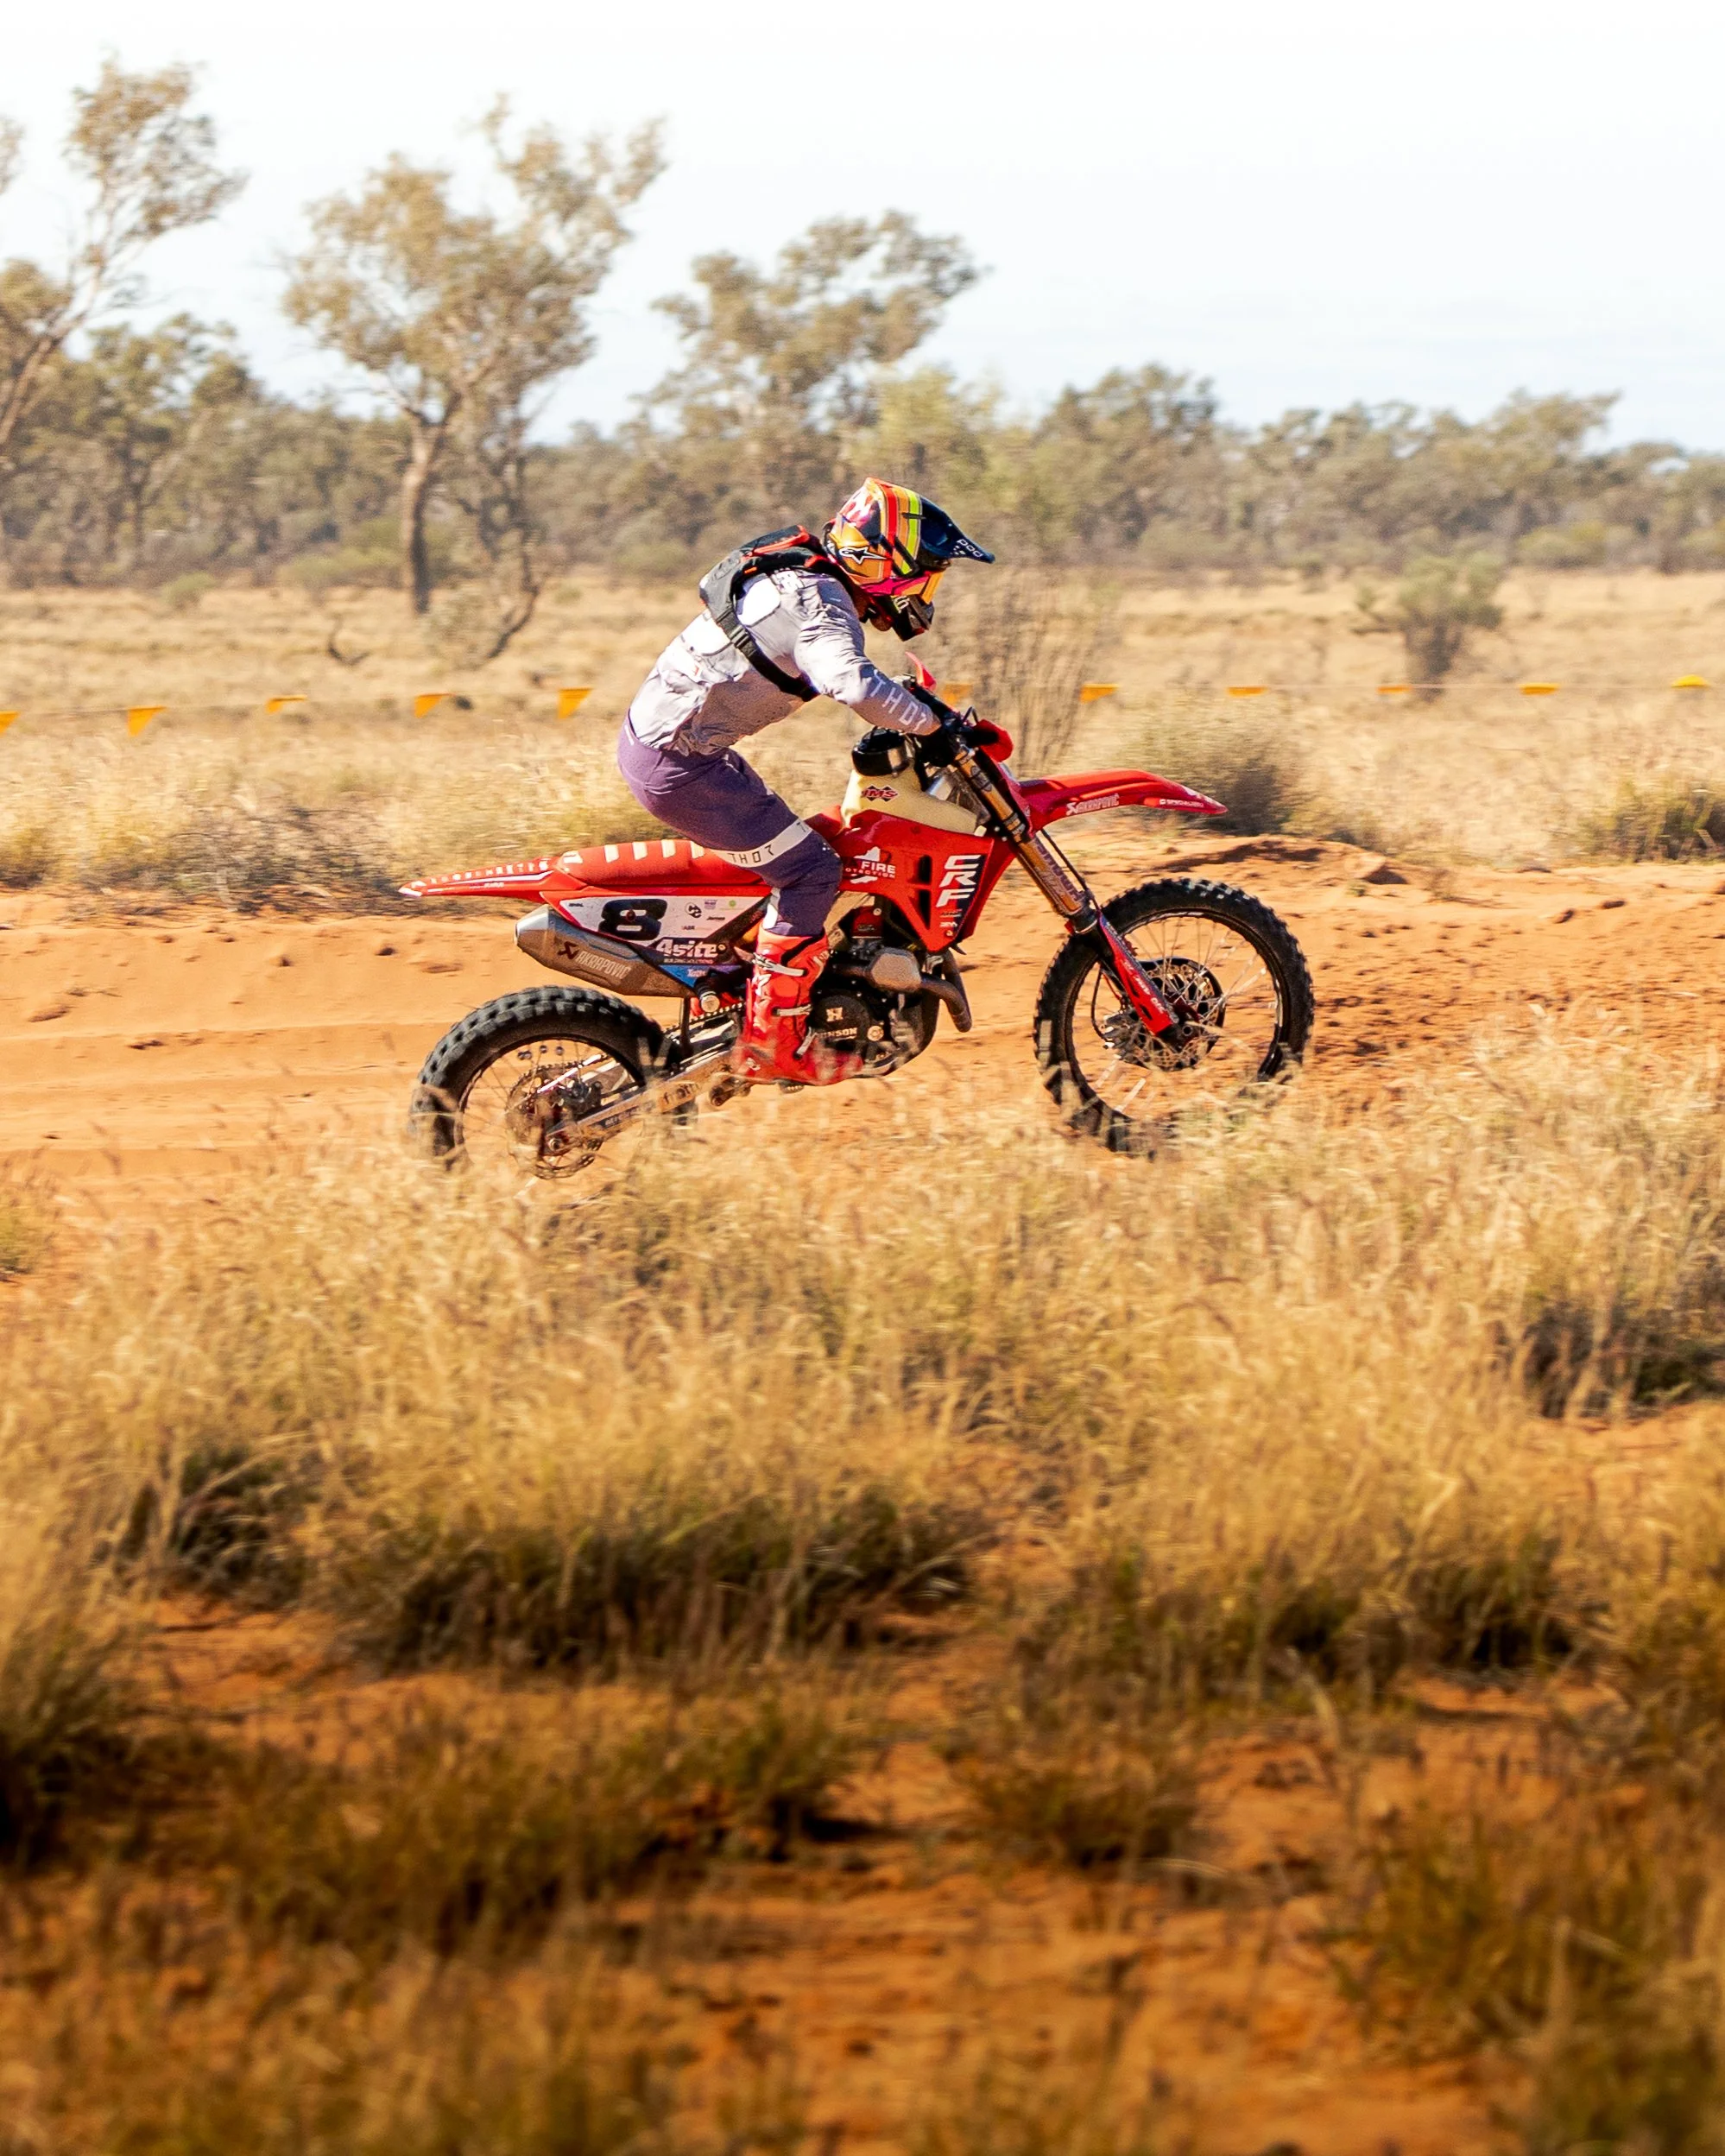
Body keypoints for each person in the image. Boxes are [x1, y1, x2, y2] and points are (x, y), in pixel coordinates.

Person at [618, 477, 994, 1084]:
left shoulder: (804, 577)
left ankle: (757, 986)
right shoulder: (820, 600)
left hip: (680, 751)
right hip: (679, 763)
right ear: (883, 560)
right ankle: (775, 1037)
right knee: (812, 871)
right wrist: (933, 727)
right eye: (924, 572)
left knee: (818, 843)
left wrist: (921, 713)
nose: (928, 588)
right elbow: (851, 683)